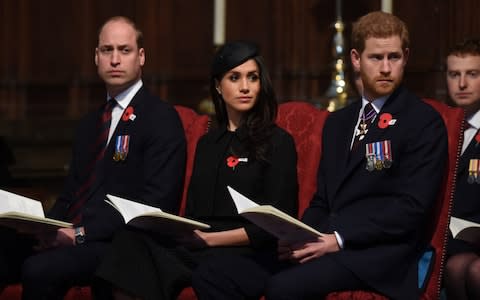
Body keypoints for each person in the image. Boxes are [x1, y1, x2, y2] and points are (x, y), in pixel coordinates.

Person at [192, 11, 448, 300]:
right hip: (327, 242)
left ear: (406, 57)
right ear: (355, 59)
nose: (386, 68)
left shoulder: (423, 121)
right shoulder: (338, 122)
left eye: (394, 57)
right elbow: (324, 200)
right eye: (376, 58)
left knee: (283, 287)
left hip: (379, 256)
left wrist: (337, 240)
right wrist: (300, 236)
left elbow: (411, 209)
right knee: (220, 274)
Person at [94, 41, 298, 300]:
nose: (245, 87)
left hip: (253, 254)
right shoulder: (207, 143)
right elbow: (194, 213)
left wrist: (210, 240)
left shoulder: (279, 142)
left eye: (253, 78)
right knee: (130, 244)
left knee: (210, 273)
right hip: (200, 247)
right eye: (234, 78)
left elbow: (277, 224)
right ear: (218, 86)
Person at [0, 16, 186, 300]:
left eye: (124, 50)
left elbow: (155, 204)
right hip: (74, 233)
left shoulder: (160, 118)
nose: (114, 59)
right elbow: (71, 194)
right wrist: (44, 228)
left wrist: (81, 235)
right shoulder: (90, 123)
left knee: (39, 269)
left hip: (119, 243)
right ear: (96, 57)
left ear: (141, 57)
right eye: (107, 50)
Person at [443, 38, 480, 300]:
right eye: (454, 74)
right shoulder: (437, 127)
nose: (462, 84)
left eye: (472, 74)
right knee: (456, 267)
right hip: (446, 242)